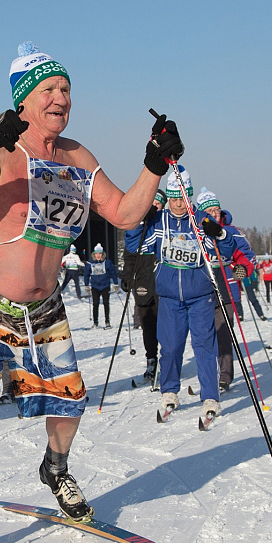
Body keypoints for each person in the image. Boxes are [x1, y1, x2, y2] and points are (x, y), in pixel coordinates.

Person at [0, 41, 183, 543]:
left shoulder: (76, 157)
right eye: (49, 89)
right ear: (24, 100)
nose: (60, 97)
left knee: (69, 400)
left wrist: (154, 164)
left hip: (42, 307)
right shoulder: (3, 151)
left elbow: (125, 214)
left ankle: (55, 468)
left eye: (66, 89)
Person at [141, 167, 238, 419]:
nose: (177, 204)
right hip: (170, 296)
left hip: (200, 296)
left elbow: (227, 249)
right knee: (171, 347)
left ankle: (210, 398)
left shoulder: (202, 219)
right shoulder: (160, 220)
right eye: (173, 199)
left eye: (182, 199)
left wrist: (221, 233)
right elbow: (134, 244)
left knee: (204, 346)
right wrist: (142, 220)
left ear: (189, 197)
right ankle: (170, 391)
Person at [197, 188, 256, 392]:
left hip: (226, 288)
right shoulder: (194, 232)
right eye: (209, 211)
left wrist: (243, 269)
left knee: (224, 334)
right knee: (203, 336)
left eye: (216, 210)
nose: (214, 214)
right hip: (200, 290)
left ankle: (225, 376)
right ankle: (207, 377)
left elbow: (248, 255)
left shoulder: (232, 231)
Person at [122, 196, 163, 384]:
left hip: (162, 280)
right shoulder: (137, 226)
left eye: (157, 203)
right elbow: (130, 255)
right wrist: (127, 276)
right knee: (148, 323)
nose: (153, 206)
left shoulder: (164, 223)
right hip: (143, 280)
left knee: (167, 324)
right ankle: (151, 360)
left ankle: (169, 359)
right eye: (150, 202)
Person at [83, 243, 119, 329]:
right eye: (96, 254)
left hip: (105, 285)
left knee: (106, 303)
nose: (98, 255)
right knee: (95, 304)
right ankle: (95, 322)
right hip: (95, 286)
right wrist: (86, 285)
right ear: (94, 254)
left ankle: (107, 321)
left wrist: (115, 283)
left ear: (102, 254)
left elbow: (113, 273)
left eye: (100, 254)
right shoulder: (90, 263)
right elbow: (86, 274)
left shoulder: (107, 262)